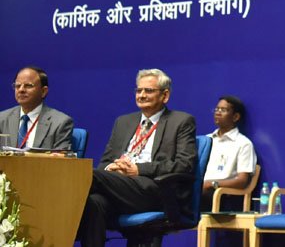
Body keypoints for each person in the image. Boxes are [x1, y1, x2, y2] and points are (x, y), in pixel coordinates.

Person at [78, 68, 197, 247]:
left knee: (86, 175)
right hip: (118, 187)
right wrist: (111, 168)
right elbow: (106, 161)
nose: (141, 95)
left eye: (148, 91)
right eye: (138, 90)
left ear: (165, 96)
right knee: (94, 203)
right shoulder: (123, 122)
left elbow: (185, 165)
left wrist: (139, 169)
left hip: (155, 189)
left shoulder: (181, 121)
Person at [202, 95, 256, 211]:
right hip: (199, 189)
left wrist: (212, 183)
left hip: (222, 194)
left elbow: (242, 181)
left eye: (224, 110)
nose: (218, 113)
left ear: (235, 117)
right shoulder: (206, 140)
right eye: (217, 109)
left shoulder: (243, 143)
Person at [0, 66, 73, 150]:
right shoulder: (2, 119)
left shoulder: (60, 123)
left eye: (28, 86)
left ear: (43, 91)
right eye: (17, 86)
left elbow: (61, 160)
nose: (21, 90)